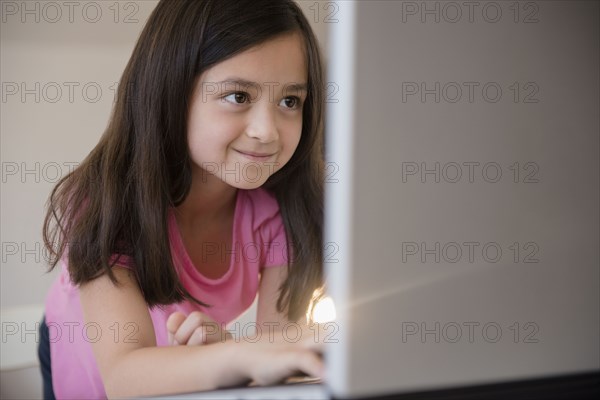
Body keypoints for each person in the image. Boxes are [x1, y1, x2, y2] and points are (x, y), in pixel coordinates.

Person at [39, 0, 326, 398]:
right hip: (94, 358)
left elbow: (279, 354)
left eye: (290, 101)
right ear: (170, 91)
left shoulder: (280, 214)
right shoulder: (106, 201)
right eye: (239, 96)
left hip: (177, 360)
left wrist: (230, 353)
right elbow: (123, 376)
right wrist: (237, 354)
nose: (267, 131)